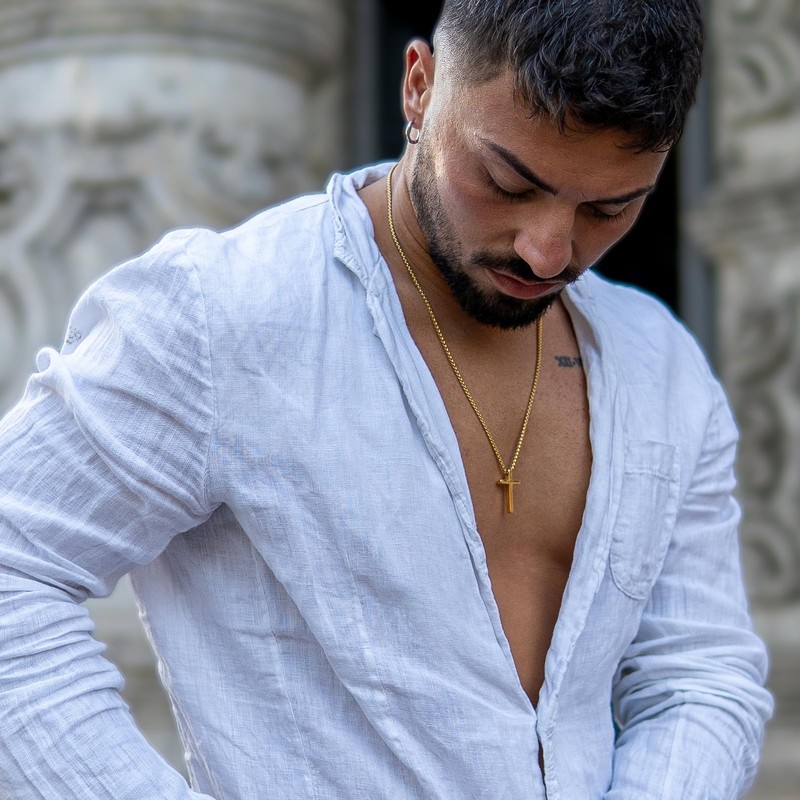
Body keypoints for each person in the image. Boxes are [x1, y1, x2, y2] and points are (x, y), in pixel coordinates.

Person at [0, 1, 773, 798]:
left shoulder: (661, 367)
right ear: (419, 87)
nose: (547, 251)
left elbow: (700, 671)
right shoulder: (225, 311)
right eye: (507, 183)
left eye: (608, 208)